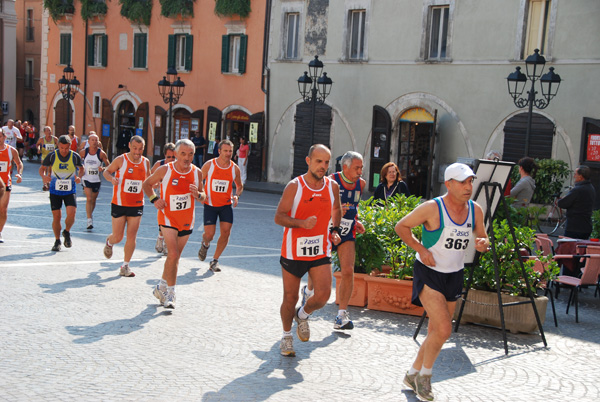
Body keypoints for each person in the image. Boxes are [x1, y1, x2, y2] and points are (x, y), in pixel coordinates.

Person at [395, 162, 489, 402]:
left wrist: (483, 243)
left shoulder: (475, 209)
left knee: (436, 331)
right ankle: (425, 378)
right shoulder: (432, 208)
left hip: (454, 274)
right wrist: (420, 248)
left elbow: (482, 235)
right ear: (449, 184)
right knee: (445, 330)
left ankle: (412, 374)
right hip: (429, 273)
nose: (469, 186)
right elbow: (401, 226)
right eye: (463, 182)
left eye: (470, 181)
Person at [274, 144, 342, 357]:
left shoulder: (332, 187)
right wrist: (301, 224)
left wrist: (335, 229)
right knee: (290, 297)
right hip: (294, 252)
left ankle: (302, 315)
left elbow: (337, 209)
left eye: (326, 162)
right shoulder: (295, 186)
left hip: (320, 250)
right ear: (308, 161)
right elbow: (279, 216)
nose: (322, 166)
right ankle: (286, 337)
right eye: (318, 161)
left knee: (323, 296)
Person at [301, 151, 365, 330]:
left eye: (361, 167)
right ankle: (308, 292)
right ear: (345, 167)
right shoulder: (331, 182)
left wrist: (356, 220)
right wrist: (334, 212)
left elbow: (355, 205)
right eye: (357, 168)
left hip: (347, 231)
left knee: (348, 270)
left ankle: (341, 315)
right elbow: (318, 204)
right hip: (327, 229)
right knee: (318, 271)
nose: (360, 171)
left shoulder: (361, 184)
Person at [142, 139, 205, 309]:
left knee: (174, 257)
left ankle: (161, 286)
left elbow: (204, 197)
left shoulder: (197, 172)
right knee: (173, 254)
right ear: (176, 154)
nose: (187, 157)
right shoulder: (165, 170)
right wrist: (154, 199)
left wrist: (198, 194)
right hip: (167, 218)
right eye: (183, 154)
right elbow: (146, 185)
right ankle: (170, 293)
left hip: (186, 220)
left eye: (190, 154)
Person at [102, 135, 151, 277]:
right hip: (119, 203)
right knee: (118, 237)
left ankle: (125, 266)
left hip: (136, 204)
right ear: (129, 146)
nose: (137, 152)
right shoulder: (121, 160)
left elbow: (148, 180)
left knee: (131, 237)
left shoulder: (145, 162)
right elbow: (106, 171)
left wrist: (156, 185)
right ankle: (109, 242)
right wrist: (112, 179)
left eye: (140, 149)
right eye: (135, 148)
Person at [197, 139, 243, 272]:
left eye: (230, 151)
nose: (228, 153)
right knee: (209, 235)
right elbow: (199, 181)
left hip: (225, 205)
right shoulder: (209, 165)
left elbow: (239, 186)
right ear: (219, 151)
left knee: (226, 232)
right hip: (210, 204)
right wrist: (201, 193)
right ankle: (205, 244)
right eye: (225, 151)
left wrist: (236, 196)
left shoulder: (235, 168)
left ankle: (215, 260)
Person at [39, 135, 84, 251]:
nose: (64, 150)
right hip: (55, 190)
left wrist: (79, 177)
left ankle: (67, 231)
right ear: (58, 145)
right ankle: (57, 240)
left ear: (70, 146)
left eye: (66, 148)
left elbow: (82, 169)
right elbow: (42, 168)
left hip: (70, 190)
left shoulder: (75, 156)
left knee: (72, 214)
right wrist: (44, 177)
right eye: (62, 148)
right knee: (57, 217)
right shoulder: (52, 155)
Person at [79, 132, 110, 230]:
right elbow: (77, 161)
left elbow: (108, 165)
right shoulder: (84, 152)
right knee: (89, 198)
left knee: (93, 199)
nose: (94, 142)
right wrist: (81, 168)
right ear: (88, 141)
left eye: (96, 140)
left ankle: (90, 215)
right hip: (86, 178)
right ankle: (89, 219)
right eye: (92, 140)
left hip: (96, 179)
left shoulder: (101, 153)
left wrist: (103, 168)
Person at [150, 142, 177, 254]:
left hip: (175, 196)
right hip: (162, 195)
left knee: (172, 219)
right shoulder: (159, 164)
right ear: (164, 156)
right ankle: (162, 238)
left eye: (173, 157)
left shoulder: (178, 165)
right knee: (164, 218)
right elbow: (149, 179)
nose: (171, 159)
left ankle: (163, 238)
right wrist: (155, 184)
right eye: (168, 157)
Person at [558, 165, 596, 240]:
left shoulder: (577, 190)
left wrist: (564, 198)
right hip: (586, 226)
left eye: (576, 174)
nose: (574, 176)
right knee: (581, 250)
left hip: (574, 227)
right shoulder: (591, 188)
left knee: (568, 250)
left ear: (581, 176)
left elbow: (562, 203)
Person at [0, 129, 24, 243]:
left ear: (4, 137)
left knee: (3, 210)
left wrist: (19, 174)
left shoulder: (11, 150)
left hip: (5, 184)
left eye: (0, 136)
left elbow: (19, 163)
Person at [36, 126, 59, 191]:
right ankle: (45, 184)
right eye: (47, 131)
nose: (49, 132)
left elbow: (59, 146)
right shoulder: (42, 139)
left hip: (52, 156)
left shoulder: (54, 139)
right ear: (44, 132)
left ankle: (48, 181)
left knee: (50, 171)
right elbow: (37, 144)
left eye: (50, 130)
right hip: (44, 156)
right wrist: (38, 149)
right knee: (44, 169)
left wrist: (56, 150)